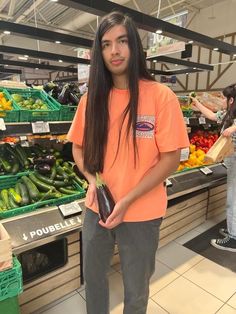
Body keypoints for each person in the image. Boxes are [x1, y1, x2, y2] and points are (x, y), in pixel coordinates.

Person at [67, 11, 189, 314]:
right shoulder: (91, 98)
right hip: (98, 209)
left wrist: (129, 198)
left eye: (121, 41)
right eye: (106, 44)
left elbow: (171, 158)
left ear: (134, 45)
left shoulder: (161, 96)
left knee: (136, 289)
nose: (115, 51)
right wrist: (93, 182)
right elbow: (78, 149)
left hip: (142, 213)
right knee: (94, 282)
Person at [191, 84, 236, 252]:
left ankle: (233, 238)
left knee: (233, 200)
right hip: (231, 159)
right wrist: (197, 103)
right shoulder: (227, 114)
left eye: (224, 98)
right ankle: (234, 228)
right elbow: (211, 115)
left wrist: (233, 128)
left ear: (231, 100)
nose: (221, 101)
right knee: (233, 197)